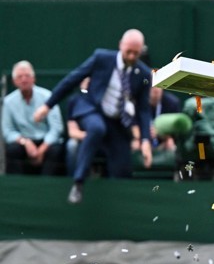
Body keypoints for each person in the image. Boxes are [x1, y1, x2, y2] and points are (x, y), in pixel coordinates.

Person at [34, 29, 153, 203]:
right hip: (92, 110)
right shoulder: (101, 58)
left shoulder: (143, 74)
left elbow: (143, 110)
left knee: (123, 167)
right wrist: (48, 105)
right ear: (121, 45)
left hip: (117, 123)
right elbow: (72, 79)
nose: (132, 56)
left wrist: (145, 141)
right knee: (97, 128)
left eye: (136, 53)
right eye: (129, 51)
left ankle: (119, 205)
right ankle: (78, 183)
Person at [2, 61, 64, 175]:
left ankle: (47, 187)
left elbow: (56, 128)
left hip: (45, 141)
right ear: (14, 81)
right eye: (20, 77)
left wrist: (42, 149)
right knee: (12, 150)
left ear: (33, 79)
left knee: (55, 150)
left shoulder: (48, 96)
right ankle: (17, 187)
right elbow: (7, 131)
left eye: (27, 76)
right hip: (24, 142)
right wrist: (25, 142)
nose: (24, 80)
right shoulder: (8, 102)